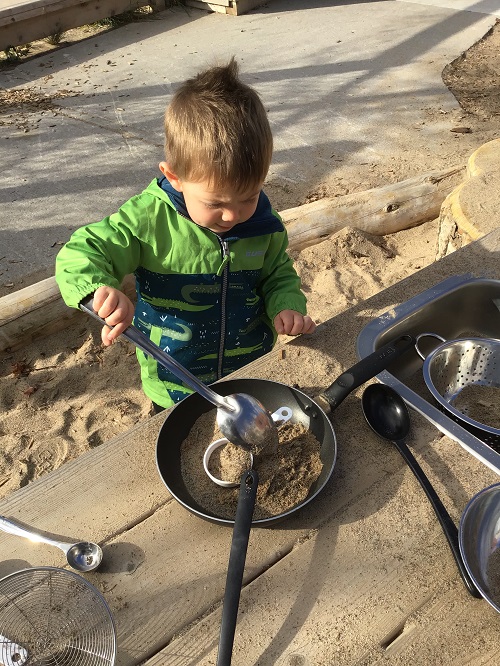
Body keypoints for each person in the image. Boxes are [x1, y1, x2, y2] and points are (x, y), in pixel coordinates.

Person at [55, 57, 316, 412]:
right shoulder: (149, 219)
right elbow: (80, 253)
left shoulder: (262, 224)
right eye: (215, 202)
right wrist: (99, 289)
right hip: (173, 379)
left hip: (250, 366)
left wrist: (287, 304)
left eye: (249, 196)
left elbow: (276, 273)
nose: (232, 215)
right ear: (174, 176)